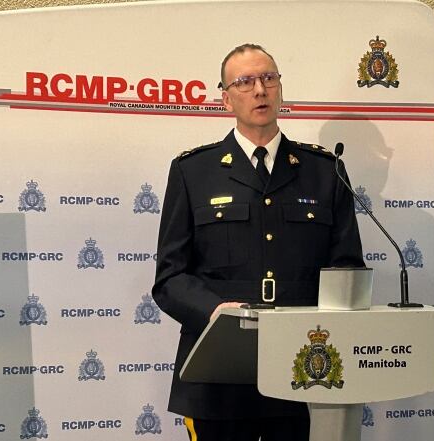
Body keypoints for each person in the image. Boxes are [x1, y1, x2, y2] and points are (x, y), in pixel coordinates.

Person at [152, 43, 364, 441]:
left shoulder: (325, 171)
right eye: (245, 81)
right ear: (226, 97)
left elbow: (346, 269)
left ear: (280, 87)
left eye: (268, 78)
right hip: (216, 379)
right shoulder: (192, 172)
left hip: (298, 373)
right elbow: (170, 277)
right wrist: (215, 310)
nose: (260, 90)